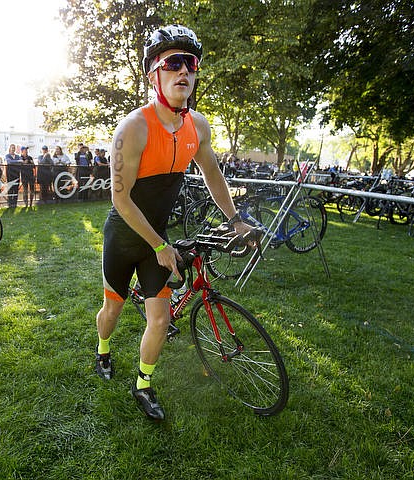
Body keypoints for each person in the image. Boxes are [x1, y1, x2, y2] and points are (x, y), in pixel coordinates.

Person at [94, 25, 259, 421]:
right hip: (125, 235)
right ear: (155, 74)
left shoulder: (197, 127)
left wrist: (236, 220)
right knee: (111, 312)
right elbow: (120, 197)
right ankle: (102, 350)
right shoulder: (133, 128)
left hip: (157, 242)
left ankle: (143, 384)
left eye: (191, 63)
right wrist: (158, 245)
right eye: (173, 63)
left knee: (161, 316)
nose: (184, 71)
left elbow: (214, 177)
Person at [5, 144, 22, 208]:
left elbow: (21, 161)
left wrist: (15, 162)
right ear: (9, 148)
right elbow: (9, 162)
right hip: (10, 174)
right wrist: (17, 161)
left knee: (16, 188)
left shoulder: (17, 156)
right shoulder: (7, 155)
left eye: (14, 148)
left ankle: (15, 203)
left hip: (16, 173)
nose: (13, 149)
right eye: (12, 147)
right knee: (10, 188)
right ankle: (10, 203)